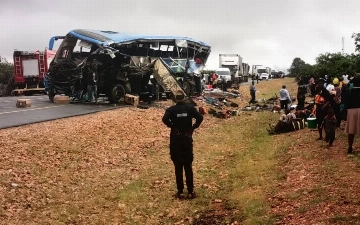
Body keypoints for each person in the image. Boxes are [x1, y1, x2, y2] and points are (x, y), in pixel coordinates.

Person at [162, 90, 203, 199]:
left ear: (175, 99)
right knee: (188, 165)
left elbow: (164, 119)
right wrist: (193, 128)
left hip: (175, 139)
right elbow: (200, 117)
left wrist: (172, 126)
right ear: (184, 98)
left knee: (178, 166)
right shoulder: (190, 109)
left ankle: (180, 191)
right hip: (186, 138)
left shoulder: (171, 110)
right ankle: (190, 191)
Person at [344, 76, 360, 154]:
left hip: (351, 111)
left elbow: (345, 102)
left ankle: (350, 147)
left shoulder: (349, 91)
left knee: (351, 131)